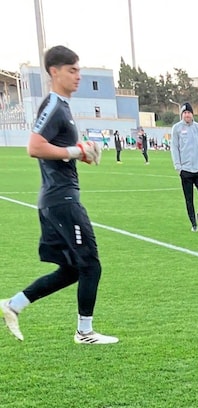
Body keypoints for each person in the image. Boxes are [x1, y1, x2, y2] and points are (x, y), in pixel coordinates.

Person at [0, 45, 118, 345]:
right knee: (90, 264)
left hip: (57, 199)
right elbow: (34, 147)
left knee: (71, 270)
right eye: (72, 70)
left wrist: (82, 154)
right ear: (54, 72)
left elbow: (58, 152)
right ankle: (85, 332)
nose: (78, 76)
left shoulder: (63, 107)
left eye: (79, 69)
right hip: (61, 199)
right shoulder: (53, 105)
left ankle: (14, 305)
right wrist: (74, 151)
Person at [171, 103, 198, 231]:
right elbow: (174, 148)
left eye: (189, 112)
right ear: (182, 114)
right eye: (185, 113)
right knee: (189, 199)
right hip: (186, 170)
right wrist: (178, 167)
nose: (187, 115)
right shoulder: (177, 128)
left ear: (192, 114)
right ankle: (193, 224)